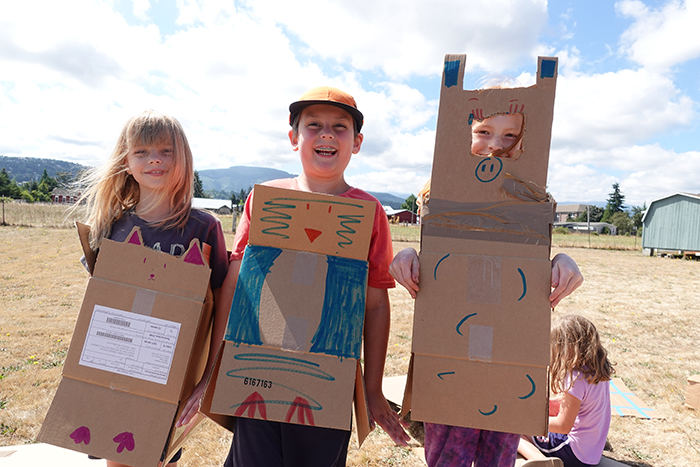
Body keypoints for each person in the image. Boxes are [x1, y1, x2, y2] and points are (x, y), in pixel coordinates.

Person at [178, 86, 411, 466]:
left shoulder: (369, 212)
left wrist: (372, 389)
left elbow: (374, 303)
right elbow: (236, 286)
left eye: (340, 127)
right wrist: (212, 373)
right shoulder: (266, 198)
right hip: (255, 372)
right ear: (293, 138)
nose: (326, 134)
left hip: (327, 384)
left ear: (357, 142)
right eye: (314, 125)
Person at [389, 180, 584, 467]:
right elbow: (438, 254)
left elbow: (530, 254)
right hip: (450, 380)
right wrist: (410, 253)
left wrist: (559, 260)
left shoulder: (524, 196)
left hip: (505, 379)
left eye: (508, 135)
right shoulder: (445, 196)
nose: (494, 145)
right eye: (483, 132)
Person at [80, 110, 230, 467]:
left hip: (172, 370)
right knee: (116, 455)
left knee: (160, 458)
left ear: (183, 159)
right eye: (142, 152)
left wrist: (209, 376)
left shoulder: (203, 227)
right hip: (116, 368)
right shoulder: (111, 226)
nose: (155, 160)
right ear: (126, 161)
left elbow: (222, 302)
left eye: (166, 150)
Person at [517, 314, 614, 467]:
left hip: (574, 452)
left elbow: (563, 426)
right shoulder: (599, 371)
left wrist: (529, 421)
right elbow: (580, 405)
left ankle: (543, 462)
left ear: (569, 347)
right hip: (591, 451)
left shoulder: (575, 377)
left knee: (515, 431)